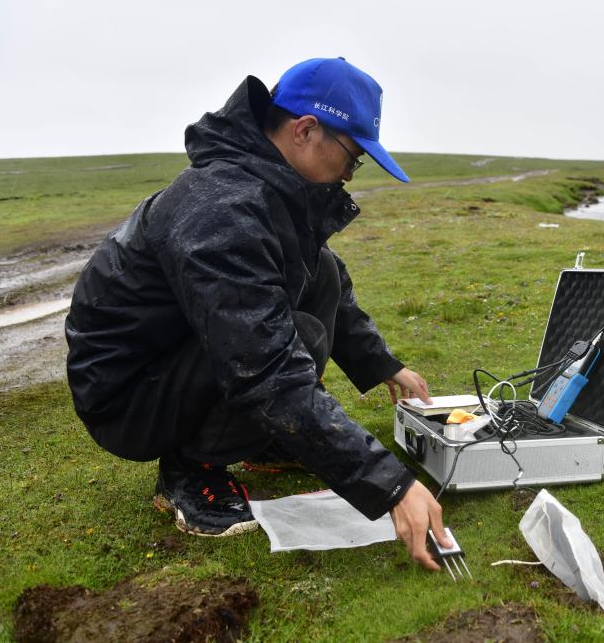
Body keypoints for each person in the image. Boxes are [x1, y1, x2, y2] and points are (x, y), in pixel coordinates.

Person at [65, 57, 450, 570]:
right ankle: (190, 470)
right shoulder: (223, 210)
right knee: (298, 337)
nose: (348, 175)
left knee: (322, 274)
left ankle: (261, 438)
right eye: (352, 158)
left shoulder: (269, 190)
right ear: (305, 130)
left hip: (176, 355)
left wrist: (382, 364)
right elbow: (266, 366)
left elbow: (323, 281)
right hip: (128, 394)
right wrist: (391, 486)